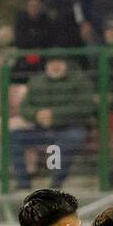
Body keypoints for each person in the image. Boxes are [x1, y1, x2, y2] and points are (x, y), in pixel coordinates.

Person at [11, 56, 95, 190]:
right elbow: (25, 107)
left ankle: (56, 183)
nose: (55, 66)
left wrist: (54, 115)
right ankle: (23, 183)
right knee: (14, 136)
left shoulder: (80, 80)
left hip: (71, 127)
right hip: (42, 128)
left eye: (59, 62)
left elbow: (86, 107)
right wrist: (37, 114)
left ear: (66, 63)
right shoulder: (36, 81)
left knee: (69, 140)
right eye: (51, 62)